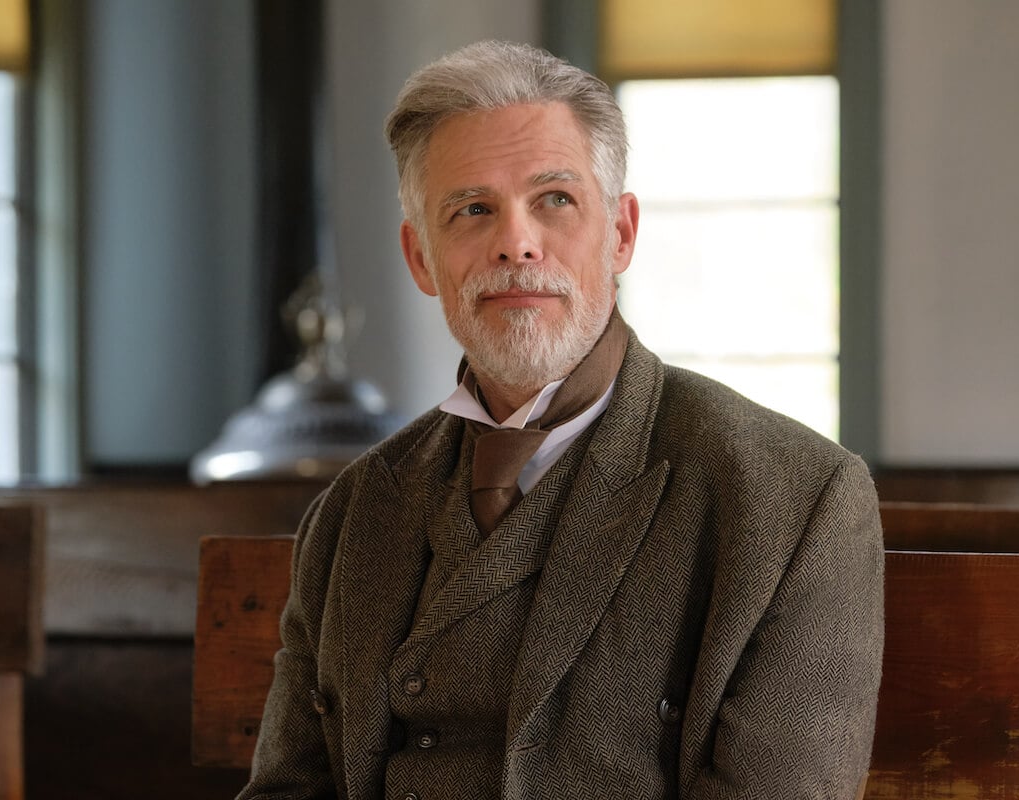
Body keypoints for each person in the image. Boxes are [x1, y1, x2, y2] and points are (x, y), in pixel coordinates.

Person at [237, 40, 883, 800]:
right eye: (472, 210)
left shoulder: (794, 501)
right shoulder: (348, 516)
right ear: (421, 258)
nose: (516, 241)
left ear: (621, 234)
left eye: (554, 200)